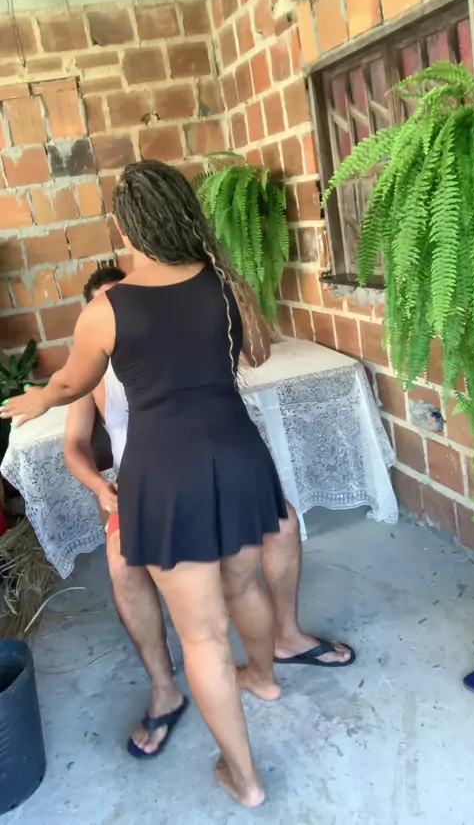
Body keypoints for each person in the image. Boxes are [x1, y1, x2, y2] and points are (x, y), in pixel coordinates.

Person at [1, 162, 352, 807]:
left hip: (164, 476)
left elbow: (73, 381)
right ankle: (264, 679)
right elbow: (258, 353)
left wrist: (38, 398)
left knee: (203, 636)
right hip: (239, 455)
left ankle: (244, 780)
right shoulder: (224, 282)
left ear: (123, 227)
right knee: (243, 585)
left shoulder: (106, 309)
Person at [63, 265, 356, 766]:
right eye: (107, 304)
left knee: (282, 523)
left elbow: (254, 353)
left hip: (203, 470)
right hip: (140, 488)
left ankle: (285, 637)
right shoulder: (92, 369)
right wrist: (98, 486)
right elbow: (73, 444)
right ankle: (164, 689)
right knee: (121, 565)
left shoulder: (179, 338)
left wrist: (232, 280)